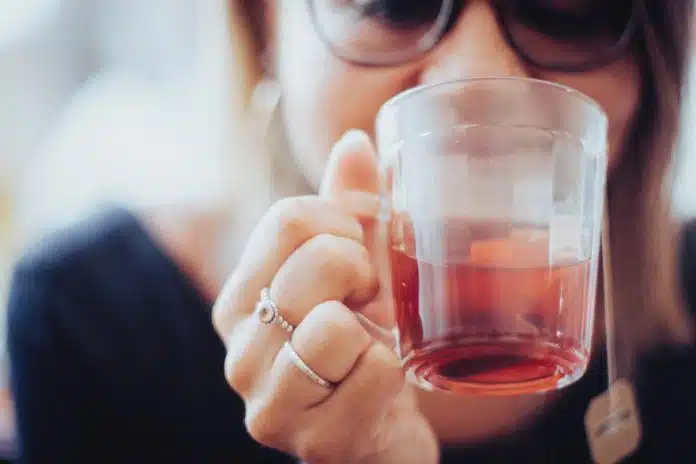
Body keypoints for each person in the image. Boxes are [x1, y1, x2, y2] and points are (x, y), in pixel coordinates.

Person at [7, 0, 696, 462]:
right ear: (265, 25)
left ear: (650, 80)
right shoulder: (91, 328)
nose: (482, 78)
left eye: (569, 8)